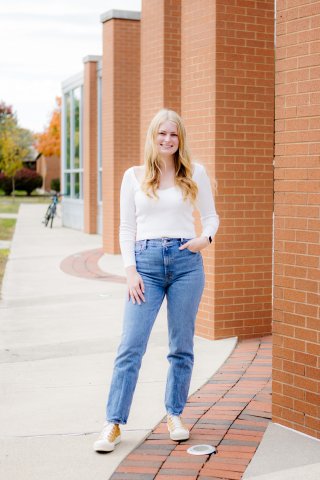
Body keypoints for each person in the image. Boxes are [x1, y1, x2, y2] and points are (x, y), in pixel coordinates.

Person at [94, 108, 219, 453]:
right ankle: (114, 423)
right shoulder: (133, 176)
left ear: (180, 139)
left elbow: (210, 218)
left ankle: (174, 414)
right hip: (145, 266)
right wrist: (130, 270)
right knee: (130, 346)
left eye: (174, 134)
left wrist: (203, 240)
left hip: (186, 264)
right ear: (153, 136)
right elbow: (126, 228)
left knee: (181, 346)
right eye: (161, 133)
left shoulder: (196, 173)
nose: (167, 140)